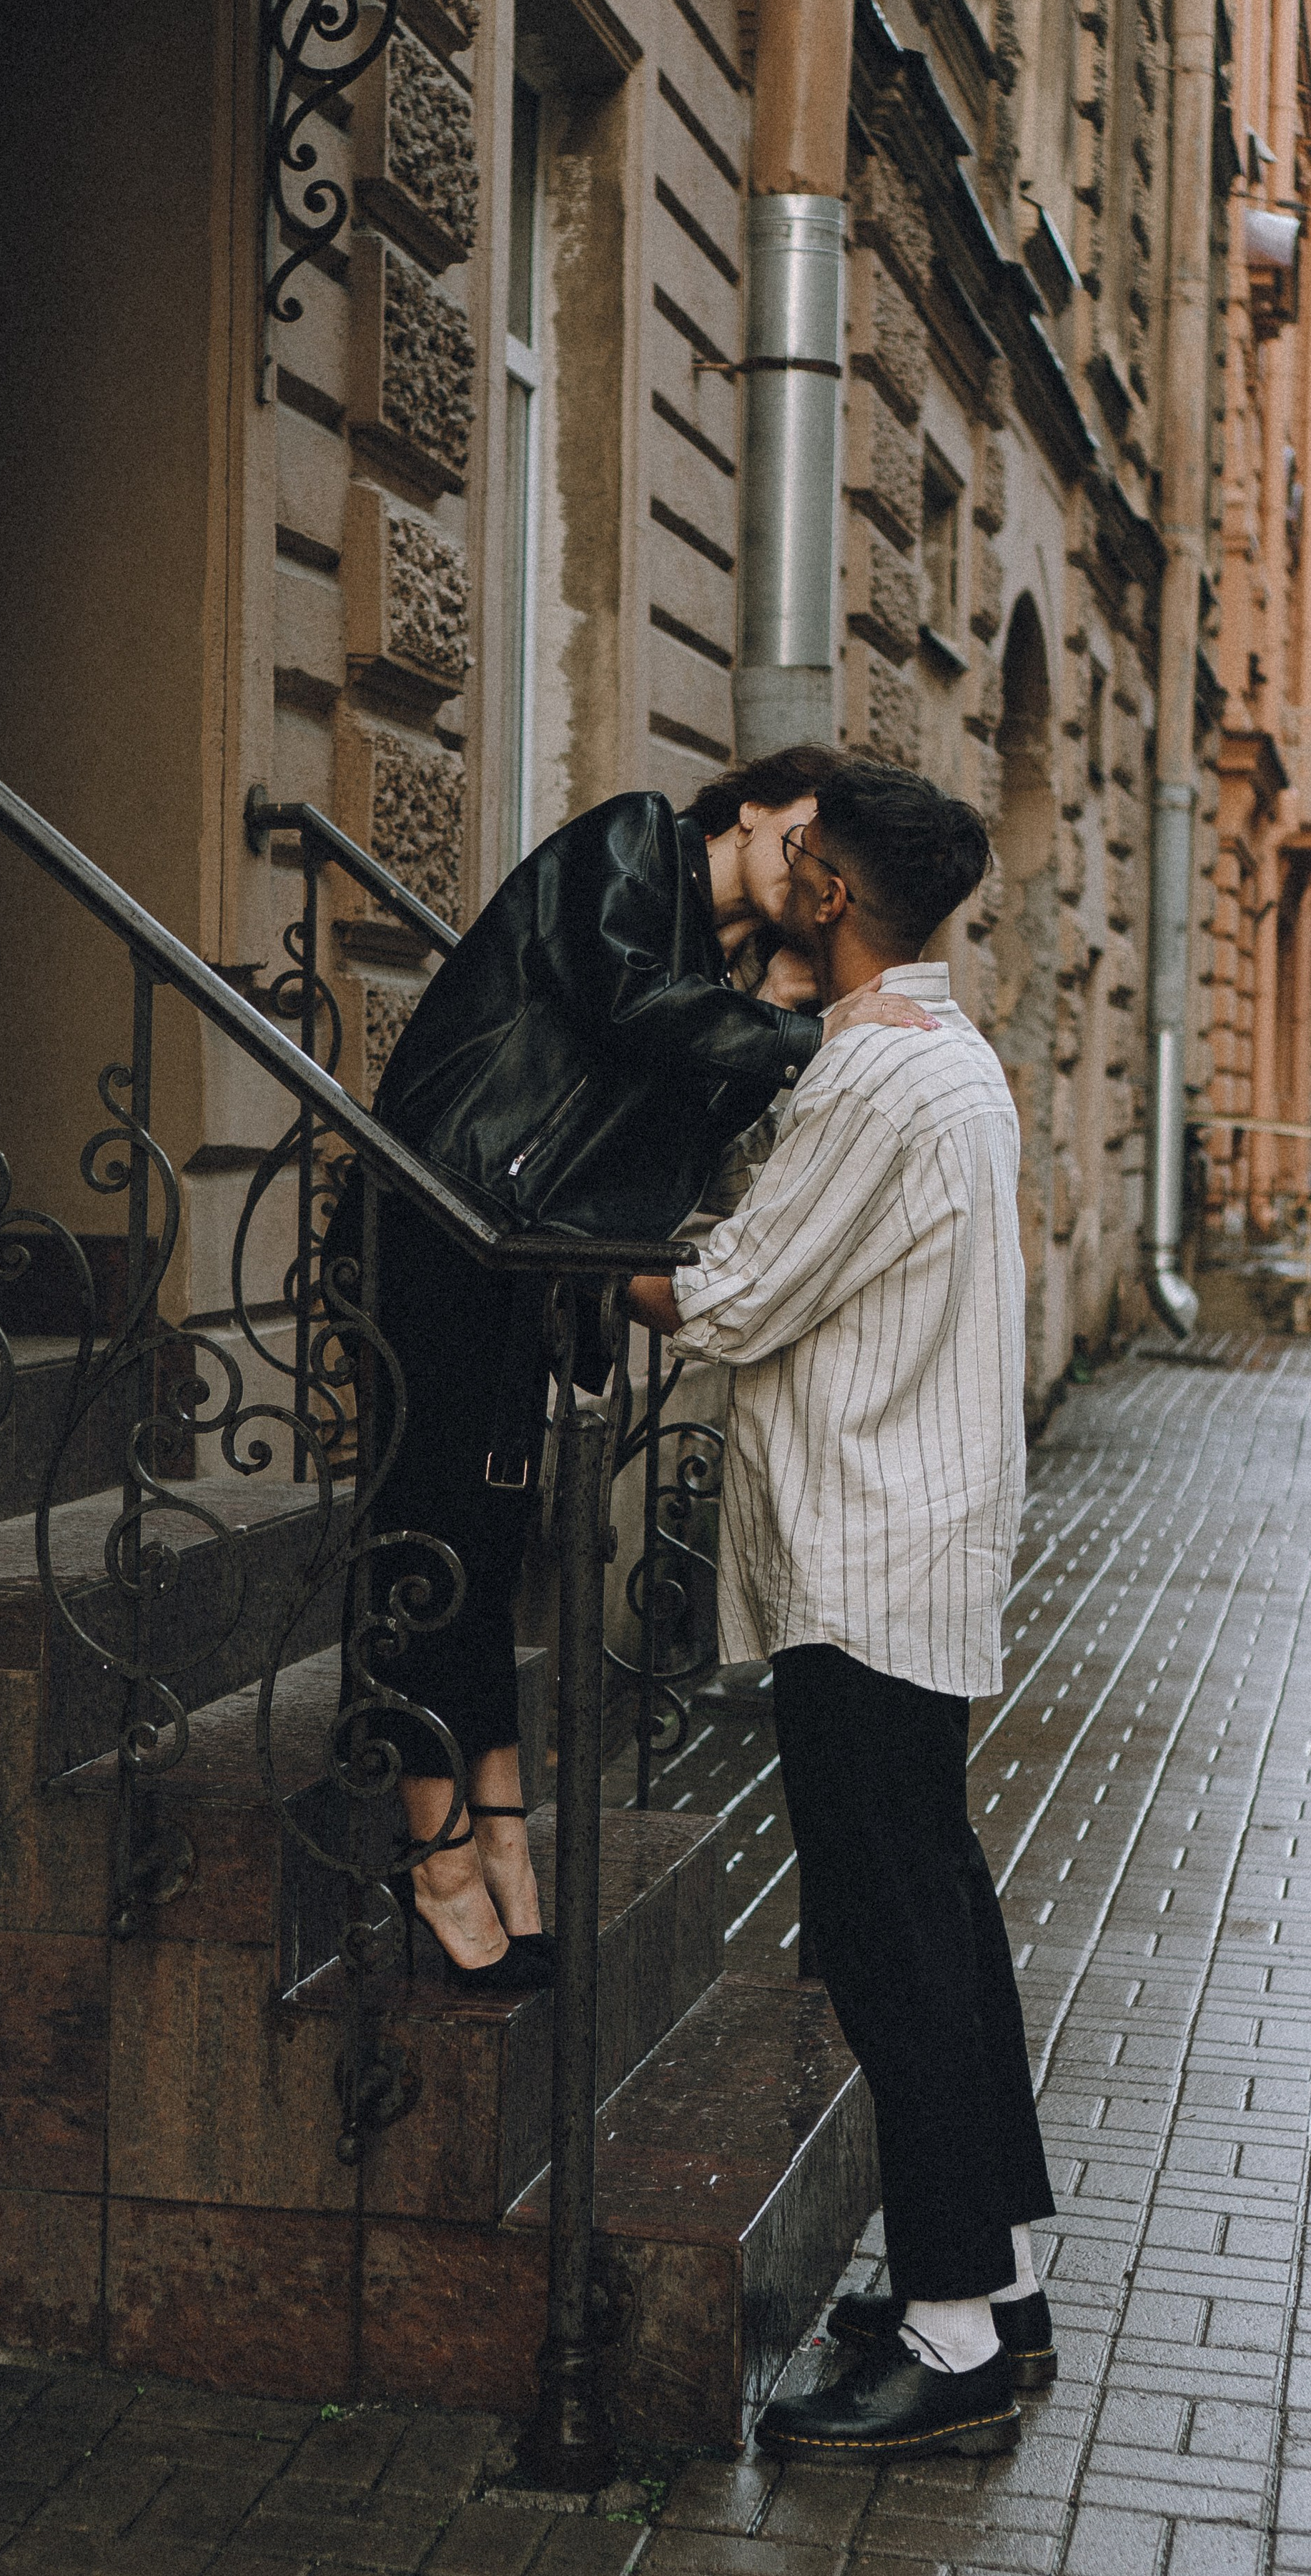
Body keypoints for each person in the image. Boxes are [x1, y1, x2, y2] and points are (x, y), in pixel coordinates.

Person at [347, 750, 938, 1992]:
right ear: (749, 810)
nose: (809, 867)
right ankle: (438, 1858)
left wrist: (771, 1006)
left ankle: (499, 1841)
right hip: (437, 1220)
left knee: (490, 1549)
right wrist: (809, 1026)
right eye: (800, 836)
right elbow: (614, 993)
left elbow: (680, 1137)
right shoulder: (630, 846)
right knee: (425, 1539)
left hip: (515, 1254)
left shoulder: (717, 978)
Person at [628, 759, 1054, 2464]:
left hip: (864, 1559)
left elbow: (731, 1299)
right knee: (935, 1908)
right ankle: (999, 2277)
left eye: (792, 860)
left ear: (827, 895)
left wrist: (591, 1252)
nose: (768, 878)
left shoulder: (878, 1078)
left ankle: (945, 2333)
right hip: (910, 1541)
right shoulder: (943, 1055)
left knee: (884, 1939)